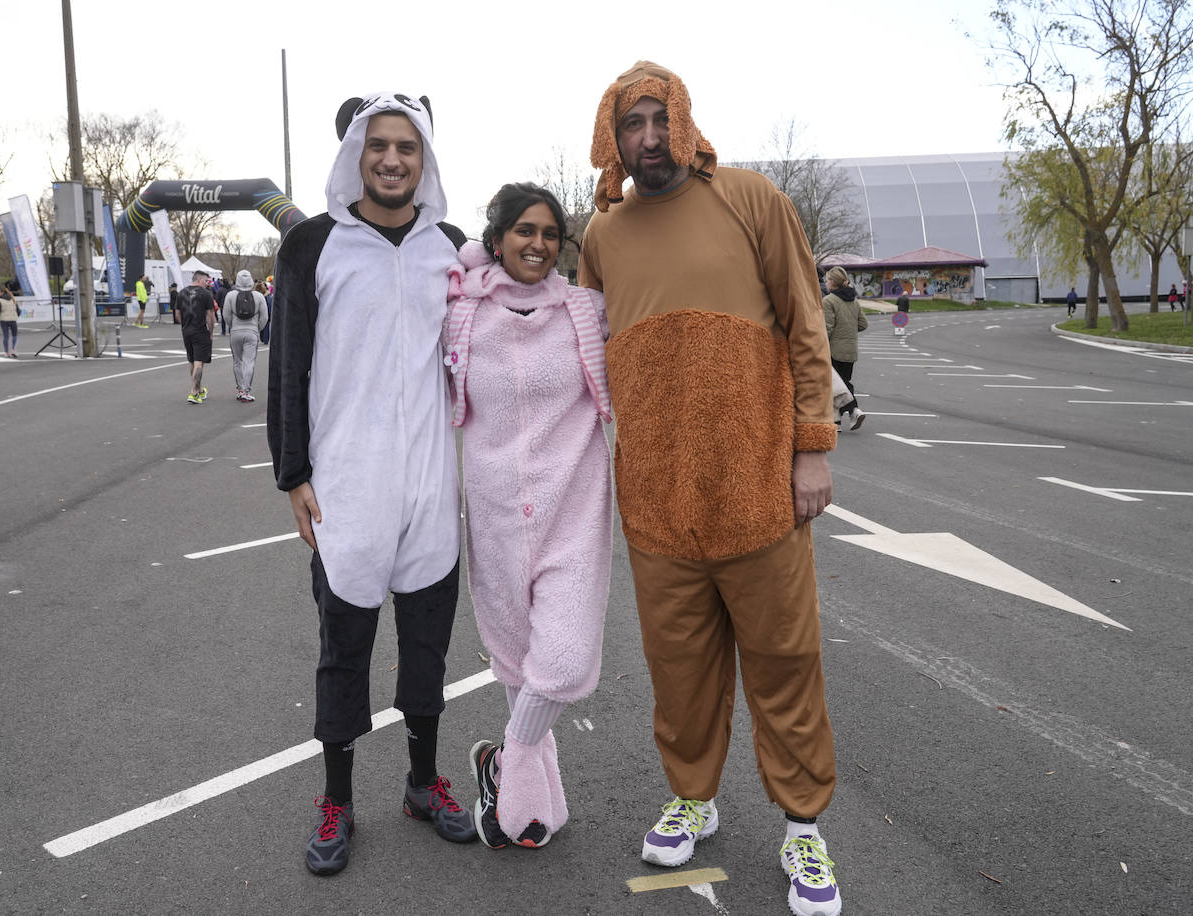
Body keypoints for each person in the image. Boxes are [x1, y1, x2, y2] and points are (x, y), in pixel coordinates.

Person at [578, 61, 842, 916]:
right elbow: (573, 359)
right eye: (632, 126)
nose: (648, 139)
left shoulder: (752, 198)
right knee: (679, 670)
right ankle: (693, 795)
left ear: (683, 121)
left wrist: (811, 449)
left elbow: (807, 326)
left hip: (759, 487)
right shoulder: (601, 236)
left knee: (785, 663)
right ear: (611, 140)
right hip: (657, 502)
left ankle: (803, 827)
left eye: (660, 120)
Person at [267, 90, 476, 877]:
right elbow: (287, 368)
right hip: (346, 487)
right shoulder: (312, 246)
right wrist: (294, 475)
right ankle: (337, 800)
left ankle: (423, 785)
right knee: (343, 650)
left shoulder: (453, 247)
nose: (393, 159)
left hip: (430, 486)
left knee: (427, 646)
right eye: (379, 145)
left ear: (425, 160)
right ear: (357, 151)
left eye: (408, 147)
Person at [447, 183, 613, 851]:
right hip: (492, 517)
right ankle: (532, 798)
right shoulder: (459, 313)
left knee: (565, 660)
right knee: (516, 665)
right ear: (496, 239)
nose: (538, 243)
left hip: (573, 513)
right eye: (523, 230)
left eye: (549, 232)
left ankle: (505, 760)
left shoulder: (584, 312)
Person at [823, 266, 867, 431]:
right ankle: (836, 421)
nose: (826, 283)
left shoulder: (829, 301)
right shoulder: (854, 301)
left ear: (833, 283)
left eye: (828, 280)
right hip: (850, 350)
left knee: (836, 385)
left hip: (834, 349)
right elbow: (863, 324)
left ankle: (854, 409)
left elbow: (827, 328)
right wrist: (848, 330)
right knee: (841, 382)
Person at [226, 269, 268, 402]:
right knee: (249, 362)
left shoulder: (231, 295)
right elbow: (265, 317)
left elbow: (226, 315)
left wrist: (232, 327)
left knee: (237, 361)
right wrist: (257, 328)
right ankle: (246, 390)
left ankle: (239, 388)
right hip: (252, 331)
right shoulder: (259, 296)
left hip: (236, 332)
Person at [177, 270, 216, 403]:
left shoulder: (181, 292)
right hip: (200, 330)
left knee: (192, 360)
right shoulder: (206, 294)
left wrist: (185, 324)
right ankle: (193, 392)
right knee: (199, 361)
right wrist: (211, 332)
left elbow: (177, 314)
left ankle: (199, 389)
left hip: (186, 330)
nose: (207, 284)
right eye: (206, 281)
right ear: (199, 280)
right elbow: (210, 316)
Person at [0, 285, 21, 358]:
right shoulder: (12, 299)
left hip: (4, 320)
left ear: (2, 292)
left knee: (6, 336)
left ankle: (6, 352)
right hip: (13, 319)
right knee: (14, 335)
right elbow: (18, 311)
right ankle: (13, 349)